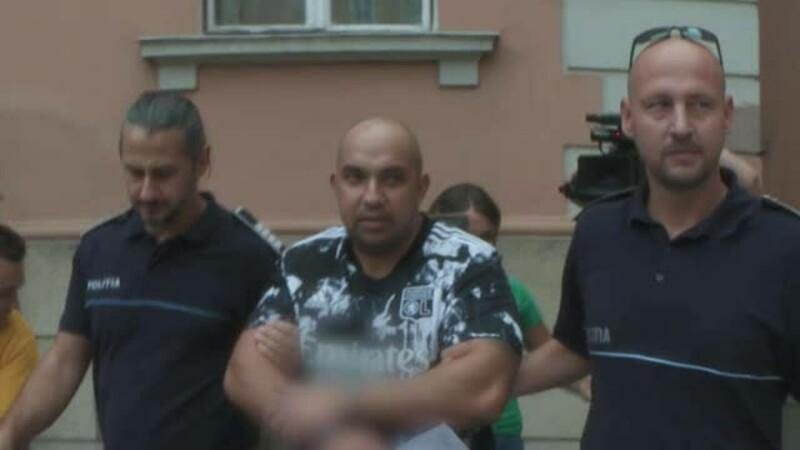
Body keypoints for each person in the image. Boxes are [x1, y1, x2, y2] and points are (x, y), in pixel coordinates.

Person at [515, 26, 800, 449]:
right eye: (660, 105)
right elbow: (578, 348)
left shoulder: (786, 247)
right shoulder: (597, 232)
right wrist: (470, 389)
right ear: (629, 118)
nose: (681, 126)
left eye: (700, 104)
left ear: (727, 115)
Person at [0, 92, 281, 450]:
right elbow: (64, 361)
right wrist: (11, 433)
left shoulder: (251, 257)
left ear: (202, 162)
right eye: (134, 172)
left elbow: (277, 383)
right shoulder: (98, 249)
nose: (147, 192)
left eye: (163, 174)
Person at [224, 117, 523, 450]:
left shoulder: (467, 261)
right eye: (355, 178)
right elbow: (244, 368)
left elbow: (483, 386)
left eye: (392, 179)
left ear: (421, 187)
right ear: (336, 185)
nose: (372, 196)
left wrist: (340, 399)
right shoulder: (305, 261)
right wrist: (330, 434)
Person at [428, 183, 589, 450]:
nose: (477, 247)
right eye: (465, 236)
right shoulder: (419, 294)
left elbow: (550, 353)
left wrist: (583, 383)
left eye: (487, 237)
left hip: (502, 432)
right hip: (437, 431)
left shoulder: (511, 291)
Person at [0, 225, 37, 417]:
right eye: (4, 293)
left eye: (16, 290)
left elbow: (5, 427)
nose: (14, 305)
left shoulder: (19, 339)